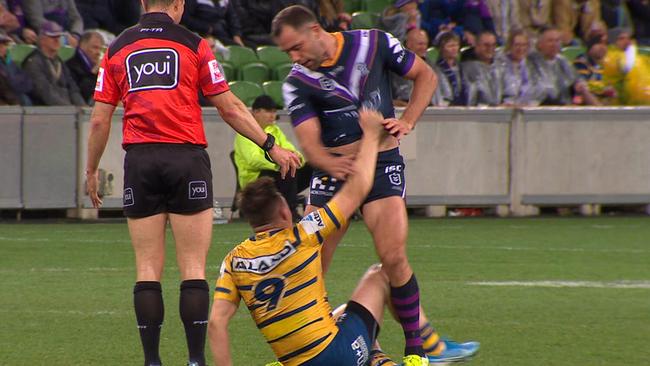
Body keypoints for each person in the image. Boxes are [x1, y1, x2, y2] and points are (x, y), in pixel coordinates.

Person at [85, 1, 301, 365]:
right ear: (178, 4)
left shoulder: (118, 47)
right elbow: (229, 106)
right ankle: (196, 360)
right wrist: (270, 146)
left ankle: (152, 361)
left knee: (147, 267)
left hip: (141, 161)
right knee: (193, 268)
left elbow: (98, 120)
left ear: (142, 3)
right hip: (186, 159)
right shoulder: (193, 44)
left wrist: (91, 170)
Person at [273, 5, 479, 363]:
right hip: (335, 174)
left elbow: (425, 76)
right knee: (311, 264)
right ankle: (302, 350)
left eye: (296, 47)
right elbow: (311, 147)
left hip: (382, 164)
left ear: (315, 30)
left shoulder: (374, 43)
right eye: (287, 52)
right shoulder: (297, 82)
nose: (294, 57)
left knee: (393, 256)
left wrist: (409, 121)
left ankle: (417, 350)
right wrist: (336, 163)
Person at [209, 109, 426, 366]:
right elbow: (357, 189)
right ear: (283, 210)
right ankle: (415, 352)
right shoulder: (305, 233)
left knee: (344, 314)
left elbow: (216, 323)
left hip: (296, 362)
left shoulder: (233, 261)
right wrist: (369, 136)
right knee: (380, 274)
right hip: (336, 354)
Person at [234, 94, 313, 220]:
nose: (272, 115)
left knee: (313, 167)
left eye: (274, 111)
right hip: (254, 181)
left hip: (278, 177)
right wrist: (278, 163)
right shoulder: (245, 132)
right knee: (285, 168)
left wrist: (297, 159)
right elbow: (253, 160)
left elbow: (292, 151)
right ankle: (291, 211)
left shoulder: (275, 130)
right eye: (268, 111)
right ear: (255, 112)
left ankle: (323, 206)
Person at [528, 26, 600, 105]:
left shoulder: (563, 61)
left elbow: (577, 82)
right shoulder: (531, 62)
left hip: (565, 108)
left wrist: (581, 88)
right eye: (550, 41)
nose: (554, 44)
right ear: (540, 44)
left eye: (557, 41)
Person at [22, 20, 84, 106]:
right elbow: (44, 91)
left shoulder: (59, 61)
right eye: (53, 37)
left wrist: (82, 106)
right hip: (46, 112)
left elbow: (72, 87)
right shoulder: (33, 62)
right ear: (43, 39)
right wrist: (68, 110)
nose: (57, 40)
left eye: (59, 37)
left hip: (67, 111)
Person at [497, 28, 544, 106]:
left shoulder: (532, 65)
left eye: (524, 45)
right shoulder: (500, 66)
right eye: (517, 45)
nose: (521, 48)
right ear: (510, 46)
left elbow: (538, 91)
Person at [573, 32, 617, 104]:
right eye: (599, 43)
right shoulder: (581, 62)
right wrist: (603, 89)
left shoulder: (604, 65)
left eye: (605, 44)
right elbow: (582, 86)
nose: (603, 47)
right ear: (590, 45)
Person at [461, 30, 503, 105]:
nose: (490, 48)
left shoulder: (500, 67)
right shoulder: (467, 68)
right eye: (486, 45)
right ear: (476, 45)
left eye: (493, 45)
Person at [66, 30, 104, 104]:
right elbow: (82, 92)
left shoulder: (95, 66)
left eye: (100, 49)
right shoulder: (72, 65)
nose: (98, 52)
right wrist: (93, 72)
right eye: (95, 48)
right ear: (82, 45)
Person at [0, 29, 31, 104]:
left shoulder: (9, 62)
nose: (3, 47)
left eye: (4, 44)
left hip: (17, 96)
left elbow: (27, 81)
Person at [435, 31, 465, 105]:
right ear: (441, 48)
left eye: (456, 45)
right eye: (450, 46)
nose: (454, 48)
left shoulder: (461, 68)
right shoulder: (436, 69)